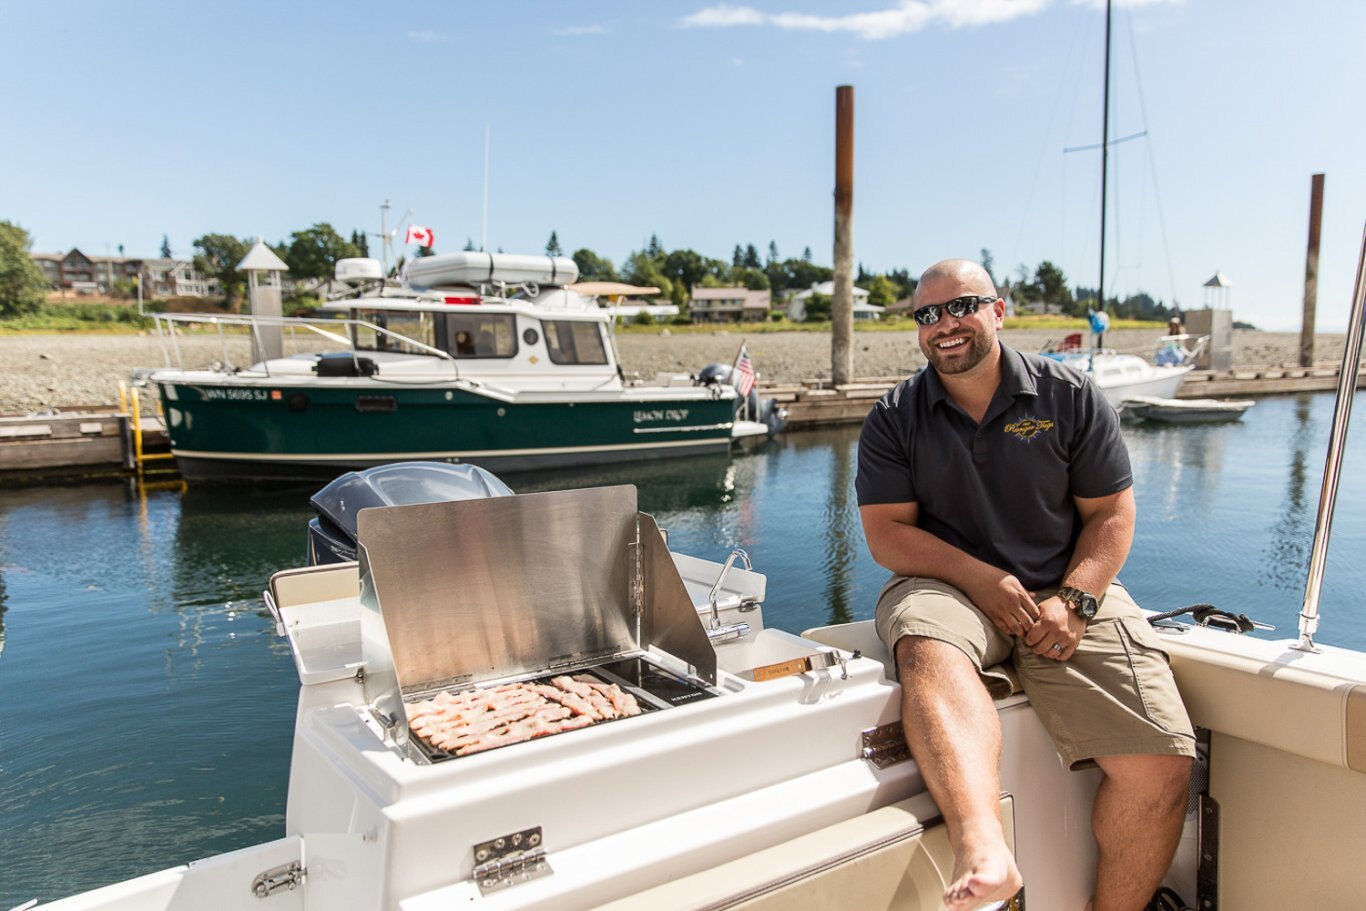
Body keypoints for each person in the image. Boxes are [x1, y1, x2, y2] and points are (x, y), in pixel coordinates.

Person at [856, 259, 1196, 911]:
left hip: (1062, 585)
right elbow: (888, 535)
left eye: (961, 306)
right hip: (946, 583)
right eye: (927, 315)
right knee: (924, 643)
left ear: (998, 310)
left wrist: (1077, 600)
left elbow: (1111, 514)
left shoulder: (1070, 396)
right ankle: (984, 849)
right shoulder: (894, 416)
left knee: (1162, 765)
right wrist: (981, 578)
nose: (944, 325)